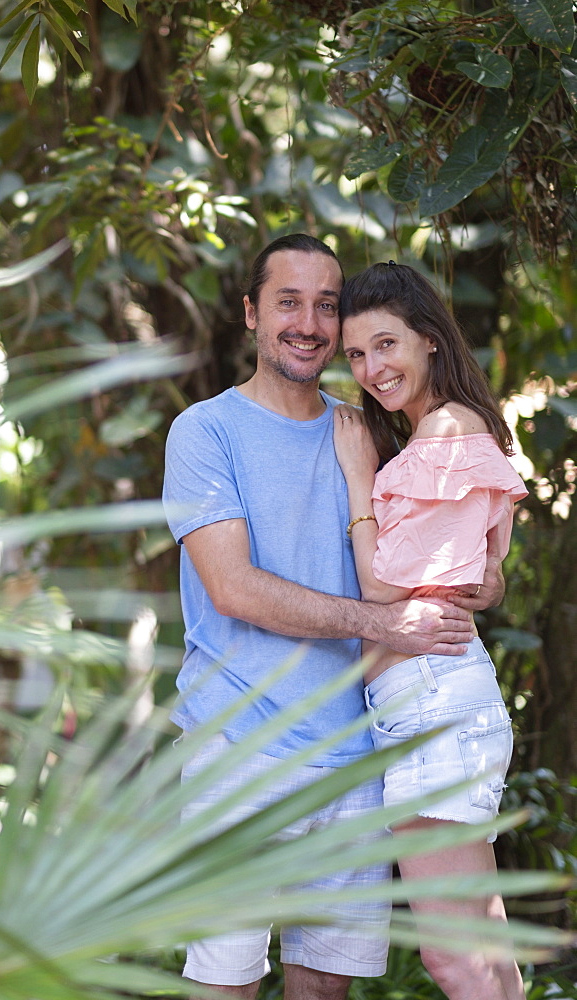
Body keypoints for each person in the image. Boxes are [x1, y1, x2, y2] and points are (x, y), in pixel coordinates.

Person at [162, 235, 500, 1000]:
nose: (309, 323)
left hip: (357, 756)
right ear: (252, 313)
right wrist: (387, 625)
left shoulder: (370, 428)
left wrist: (487, 570)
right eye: (288, 301)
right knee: (227, 983)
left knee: (326, 987)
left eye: (325, 305)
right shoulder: (204, 432)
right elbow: (235, 588)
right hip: (239, 754)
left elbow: (445, 526)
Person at [333, 261, 528, 1000]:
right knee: (484, 954)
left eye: (387, 345)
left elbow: (385, 585)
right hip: (427, 696)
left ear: (430, 341)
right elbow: (475, 572)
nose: (372, 369)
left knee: (455, 959)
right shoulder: (428, 438)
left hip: (432, 698)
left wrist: (358, 479)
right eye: (356, 354)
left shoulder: (446, 431)